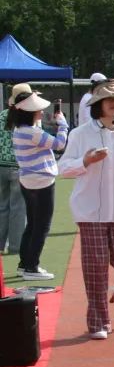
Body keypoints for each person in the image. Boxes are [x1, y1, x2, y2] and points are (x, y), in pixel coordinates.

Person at [57, 80, 114, 339]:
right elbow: (63, 169)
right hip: (91, 210)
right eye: (108, 99)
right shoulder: (80, 134)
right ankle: (98, 320)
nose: (113, 103)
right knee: (95, 266)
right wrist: (85, 160)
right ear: (97, 105)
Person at [8, 84, 69, 281]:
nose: (42, 111)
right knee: (41, 225)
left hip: (28, 179)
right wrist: (63, 125)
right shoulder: (32, 132)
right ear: (30, 112)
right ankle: (31, 266)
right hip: (41, 180)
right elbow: (59, 144)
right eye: (38, 109)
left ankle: (25, 264)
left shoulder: (20, 129)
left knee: (33, 224)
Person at [0, 100, 26, 256]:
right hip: (18, 166)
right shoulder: (26, 118)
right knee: (18, 208)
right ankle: (16, 246)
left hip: (1, 165)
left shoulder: (2, 115)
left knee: (2, 206)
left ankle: (1, 244)